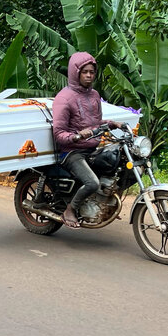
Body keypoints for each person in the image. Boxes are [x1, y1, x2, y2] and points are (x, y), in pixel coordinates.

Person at [51, 52, 122, 228]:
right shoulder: (64, 98)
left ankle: (104, 203)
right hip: (72, 152)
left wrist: (112, 124)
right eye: (85, 72)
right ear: (75, 73)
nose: (89, 75)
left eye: (92, 72)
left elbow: (95, 123)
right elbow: (58, 133)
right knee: (92, 183)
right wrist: (76, 136)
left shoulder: (94, 95)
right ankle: (70, 210)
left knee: (119, 166)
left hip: (93, 146)